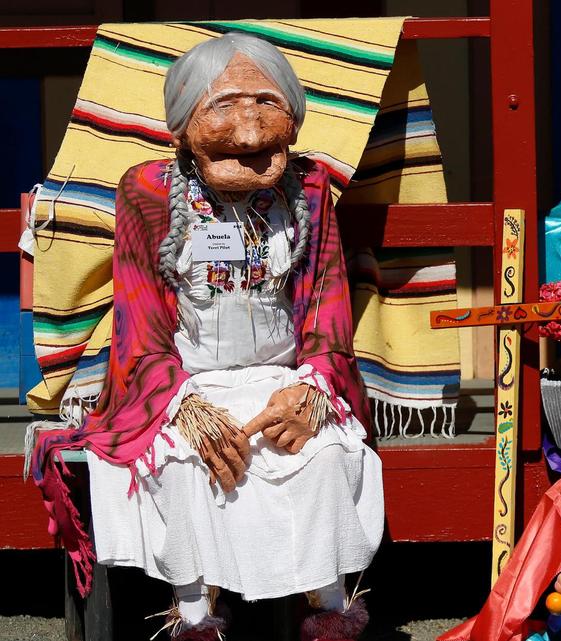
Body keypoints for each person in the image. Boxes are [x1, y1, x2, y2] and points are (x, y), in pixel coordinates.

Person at [35, 34, 382, 641]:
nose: (248, 133)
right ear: (181, 123)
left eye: (266, 103)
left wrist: (314, 392)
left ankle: (328, 607)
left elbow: (329, 305)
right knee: (189, 465)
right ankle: (196, 615)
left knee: (323, 457)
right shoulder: (145, 189)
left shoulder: (310, 190)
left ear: (293, 119)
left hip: (287, 379)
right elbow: (138, 319)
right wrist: (184, 406)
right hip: (186, 384)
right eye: (222, 105)